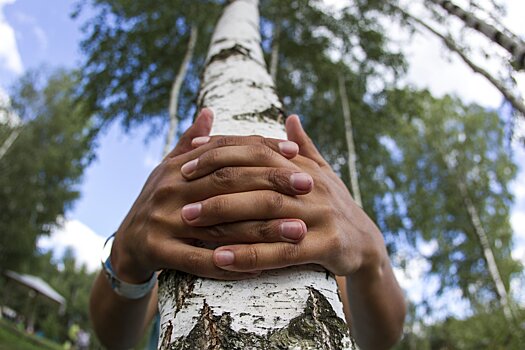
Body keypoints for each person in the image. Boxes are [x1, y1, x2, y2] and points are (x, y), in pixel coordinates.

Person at [89, 108, 406, 350]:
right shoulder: (179, 225)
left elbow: (378, 339)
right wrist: (126, 255)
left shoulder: (314, 230)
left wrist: (370, 250)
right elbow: (117, 338)